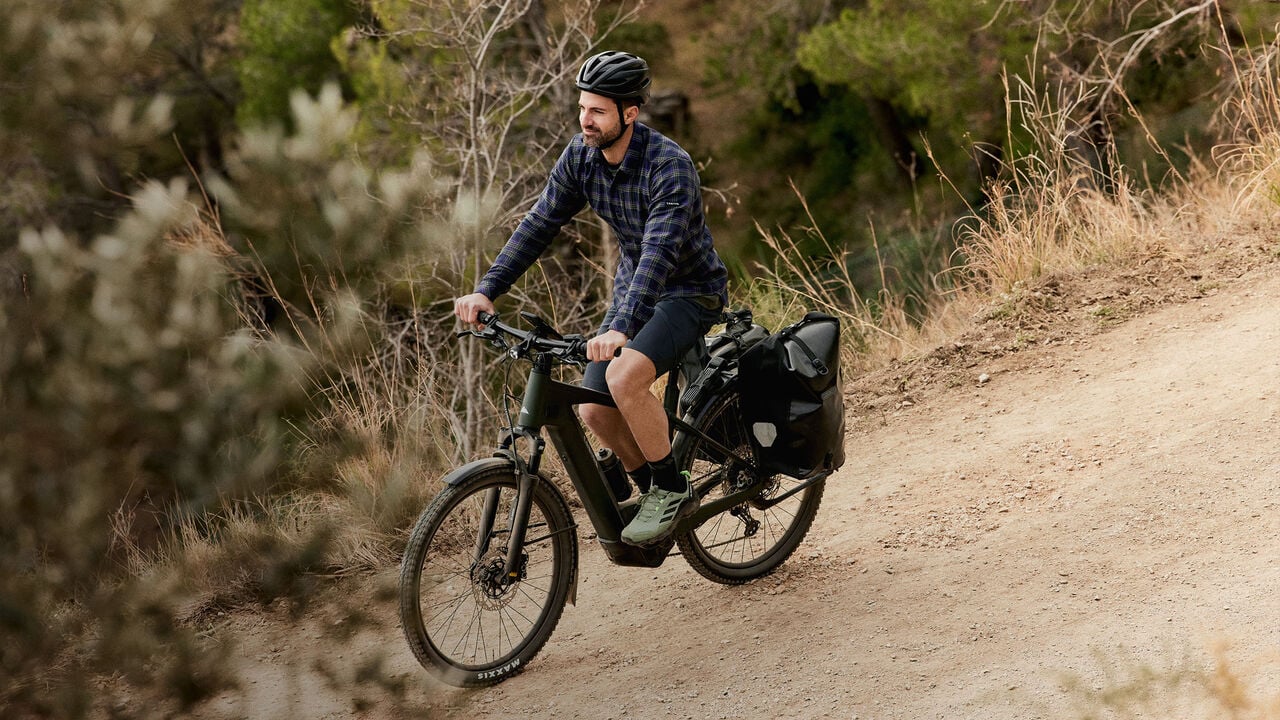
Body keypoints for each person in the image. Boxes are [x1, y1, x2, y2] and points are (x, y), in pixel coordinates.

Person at [454, 50, 728, 546]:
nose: (585, 120)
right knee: (594, 410)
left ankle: (672, 488)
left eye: (598, 111)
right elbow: (540, 224)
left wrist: (620, 326)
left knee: (624, 379)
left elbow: (656, 254)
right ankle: (650, 488)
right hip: (634, 294)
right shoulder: (580, 156)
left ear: (630, 113)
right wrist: (486, 289)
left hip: (689, 291)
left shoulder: (670, 166)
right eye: (582, 107)